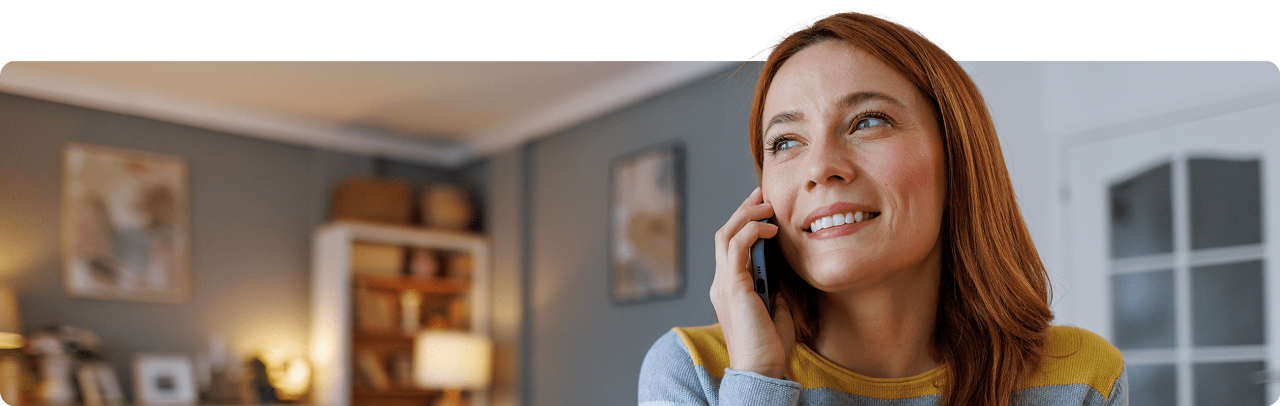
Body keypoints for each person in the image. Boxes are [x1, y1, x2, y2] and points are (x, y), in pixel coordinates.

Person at [638, 11, 1127, 406]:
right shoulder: (694, 371)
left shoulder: (1079, 377)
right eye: (786, 141)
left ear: (958, 158)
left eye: (868, 121)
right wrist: (757, 380)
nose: (820, 167)